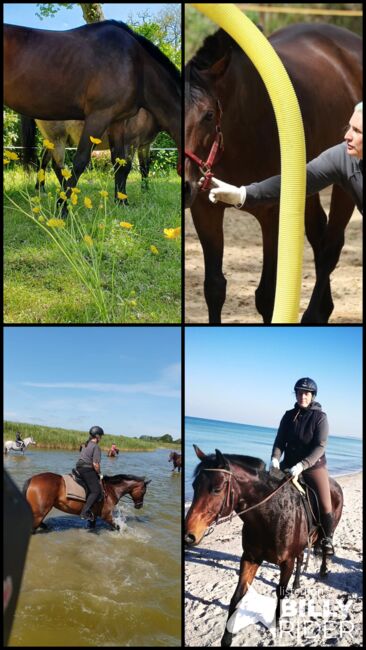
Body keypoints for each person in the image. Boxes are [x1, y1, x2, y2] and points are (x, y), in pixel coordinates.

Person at [203, 102, 363, 214]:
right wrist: (242, 194)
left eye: (357, 131)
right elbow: (299, 181)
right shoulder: (342, 158)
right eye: (349, 127)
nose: (347, 136)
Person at [270, 378, 335, 555]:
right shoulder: (288, 415)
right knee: (265, 488)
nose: (302, 396)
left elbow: (320, 446)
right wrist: (275, 458)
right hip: (288, 463)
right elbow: (280, 440)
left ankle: (327, 539)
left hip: (314, 466)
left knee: (325, 502)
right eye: (299, 393)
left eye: (306, 393)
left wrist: (303, 465)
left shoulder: (320, 417)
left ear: (312, 395)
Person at [76, 426, 105, 521]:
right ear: (97, 436)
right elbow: (95, 464)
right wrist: (100, 474)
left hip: (78, 467)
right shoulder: (96, 447)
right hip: (87, 469)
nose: (101, 438)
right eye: (100, 436)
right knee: (96, 491)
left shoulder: (85, 444)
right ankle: (84, 513)